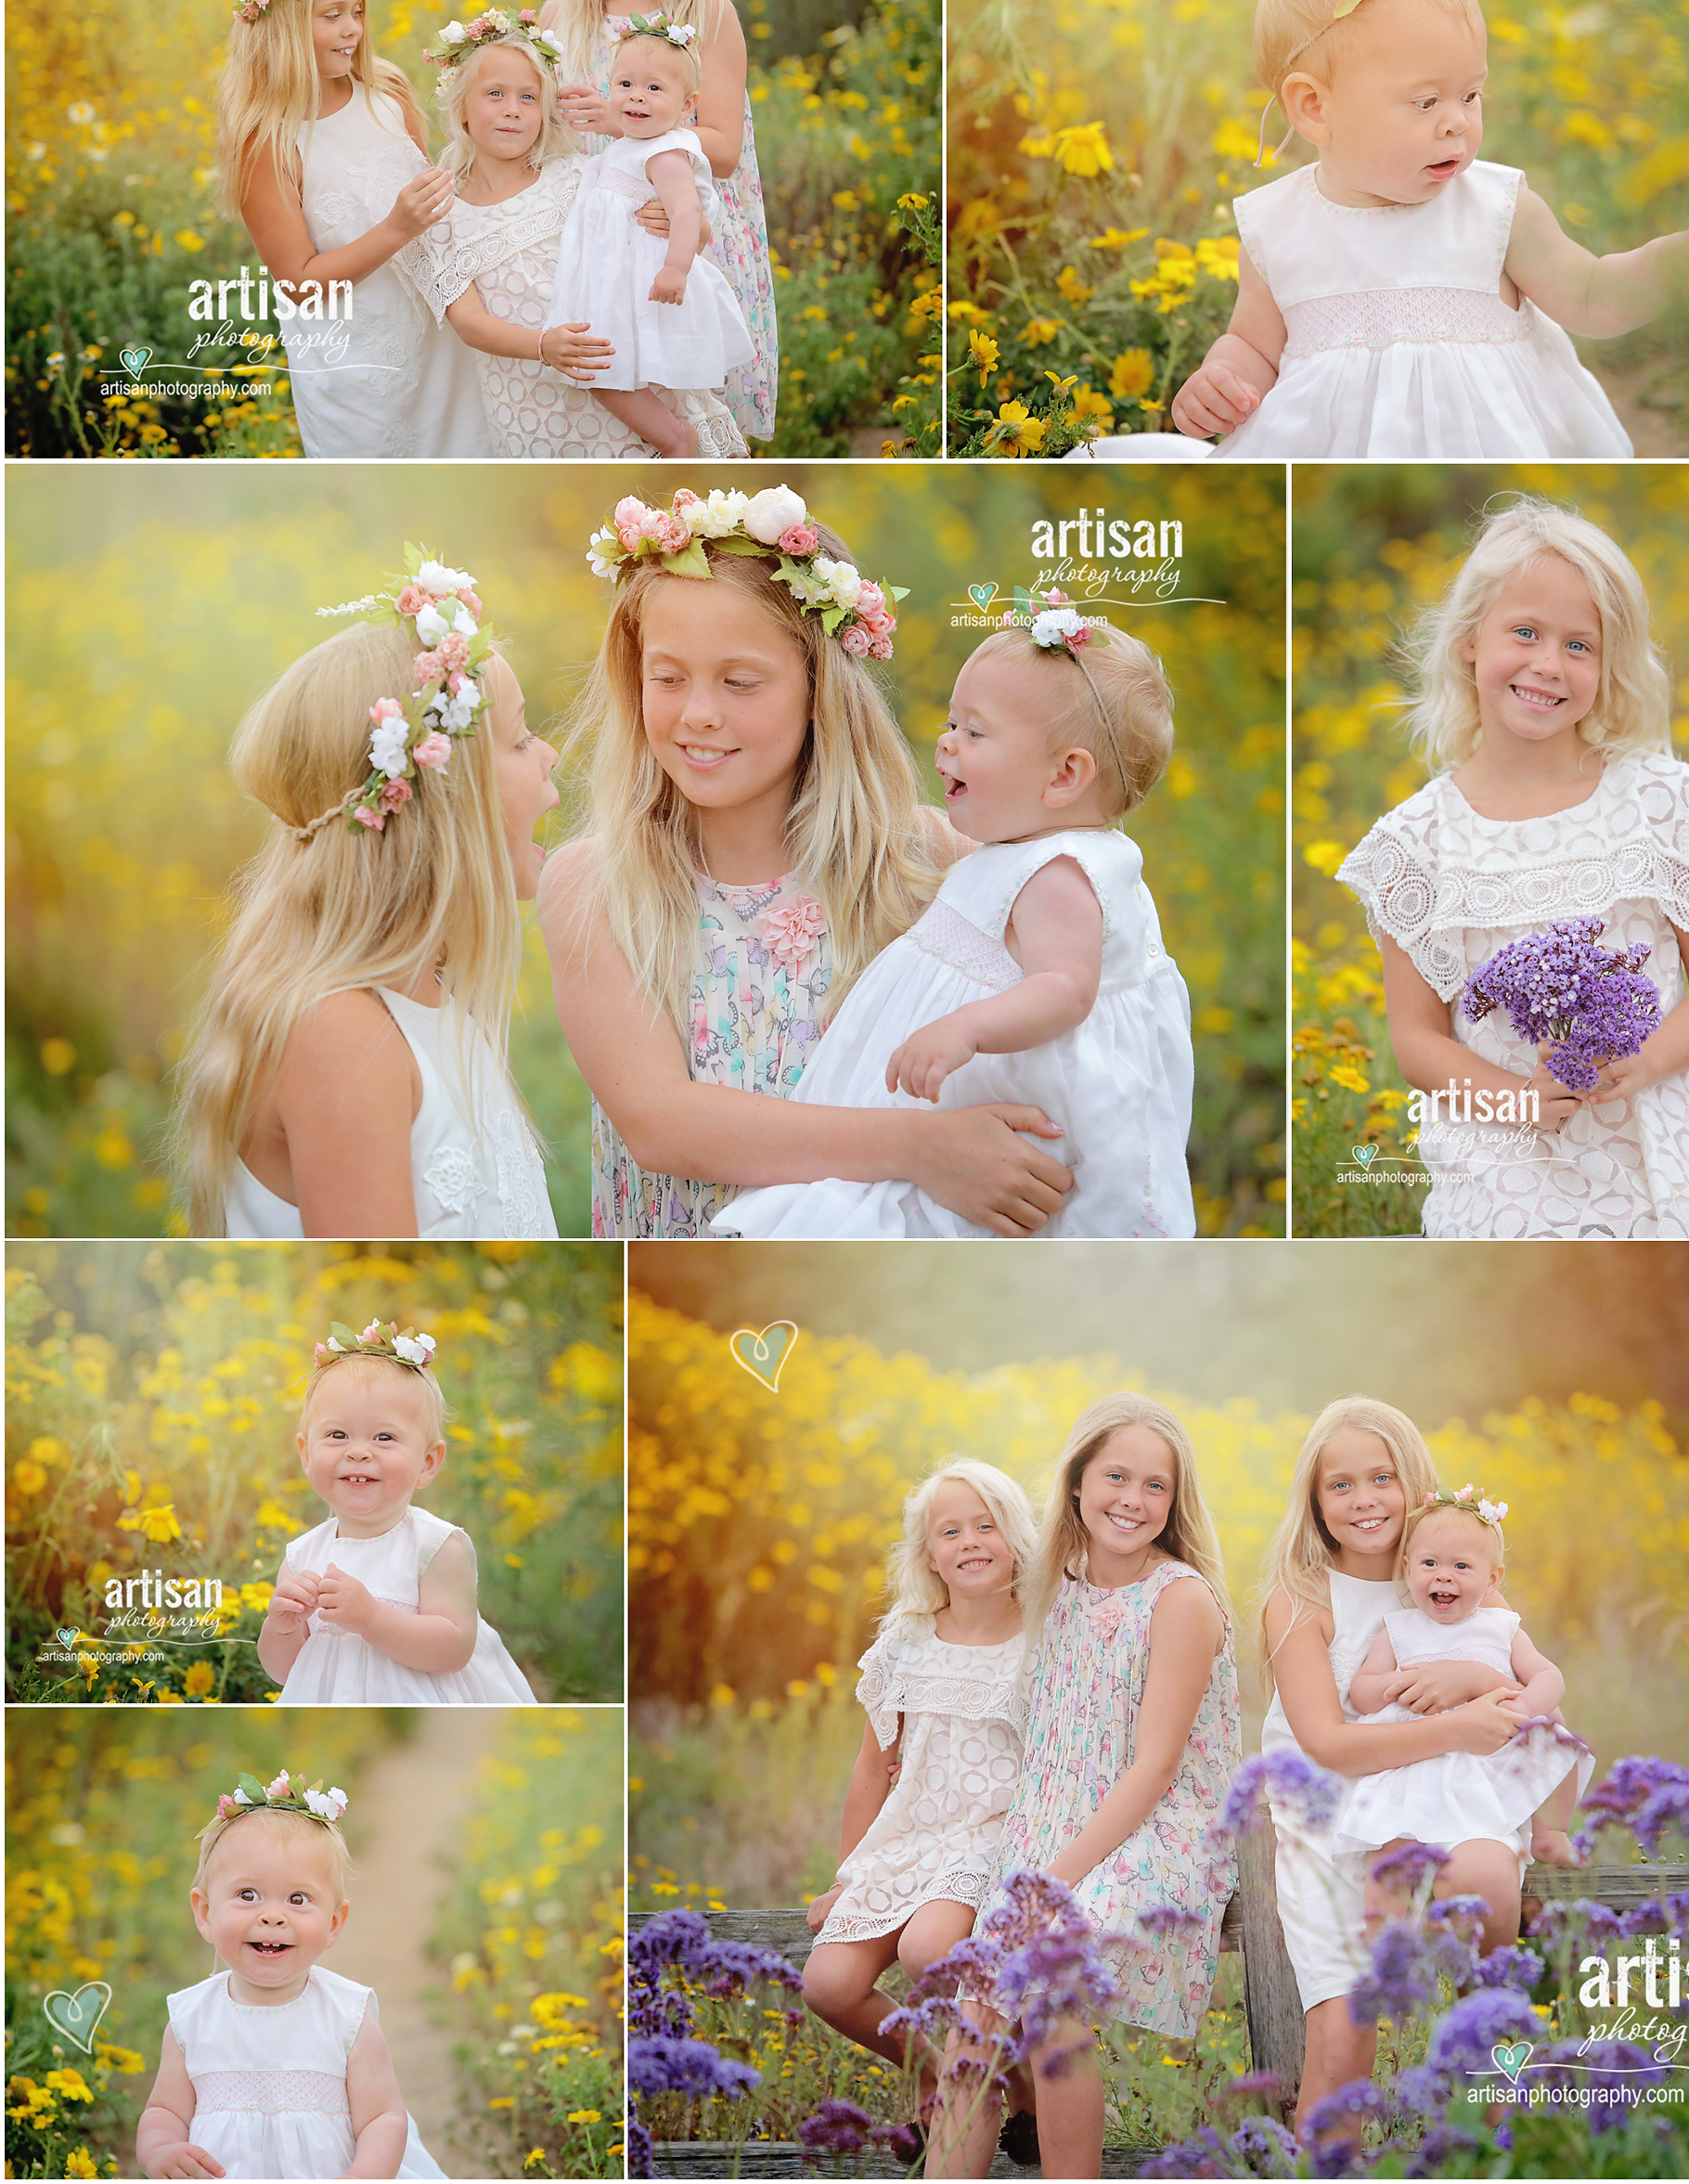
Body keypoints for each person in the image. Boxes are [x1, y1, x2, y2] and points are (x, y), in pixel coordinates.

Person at [539, 483, 1077, 1239]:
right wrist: (921, 1148)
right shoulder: (596, 884)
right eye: (667, 677)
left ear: (819, 688)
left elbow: (1082, 958)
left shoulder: (925, 861)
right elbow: (662, 1124)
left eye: (740, 681)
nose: (697, 712)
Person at [1335, 495, 1689, 1236]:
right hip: (1508, 1153)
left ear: (1610, 669)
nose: (1548, 664)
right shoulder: (1416, 843)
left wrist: (1646, 1060)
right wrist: (1515, 1100)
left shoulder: (1661, 802)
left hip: (1660, 1133)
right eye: (1525, 632)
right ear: (1470, 640)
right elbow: (1418, 1040)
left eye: (1580, 646)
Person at [1170, 0, 1689, 459]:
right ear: (1315, 107)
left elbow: (1591, 293)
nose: (1457, 121)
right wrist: (1222, 381)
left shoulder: (1498, 211)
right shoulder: (1278, 230)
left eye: (1471, 94)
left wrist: (1667, 264)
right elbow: (1254, 348)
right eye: (1425, 101)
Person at [718, 594, 1193, 1238]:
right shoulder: (1017, 848)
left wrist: (962, 1030)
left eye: (974, 732)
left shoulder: (1059, 872)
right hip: (944, 1091)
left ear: (1064, 777)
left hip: (1007, 1088)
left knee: (921, 1219)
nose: (946, 743)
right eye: (951, 722)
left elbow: (1065, 988)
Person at [171, 555, 559, 1238]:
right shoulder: (343, 1035)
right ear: (447, 799)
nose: (549, 753)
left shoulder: (433, 1000)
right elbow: (382, 1285)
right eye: (522, 737)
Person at [940, 1395, 1241, 2180]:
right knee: (974, 2011)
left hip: (1155, 1835)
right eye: (1115, 1476)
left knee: (1046, 1982)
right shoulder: (1052, 1584)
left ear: (1175, 1504)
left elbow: (1155, 1768)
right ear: (1077, 1482)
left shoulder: (1180, 1600)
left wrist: (1052, 1881)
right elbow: (948, 1630)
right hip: (1049, 1830)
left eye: (1155, 1487)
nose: (1132, 1501)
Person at [1256, 1398, 1528, 2132]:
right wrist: (1459, 1726)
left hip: (1445, 1801)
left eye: (1382, 1477)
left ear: (1413, 1482)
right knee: (1343, 2043)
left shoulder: (1453, 1576)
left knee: (1483, 1877)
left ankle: (1490, 2070)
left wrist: (1474, 1697)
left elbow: (1519, 1695)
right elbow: (1329, 1744)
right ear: (1313, 1500)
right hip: (1328, 1822)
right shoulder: (1302, 1599)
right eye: (1339, 1484)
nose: (1364, 1499)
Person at [801, 1459, 1037, 2167]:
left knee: (928, 1949)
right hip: (912, 1833)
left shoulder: (1046, 1637)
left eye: (986, 1525)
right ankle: (957, 2074)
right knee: (829, 1986)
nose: (969, 1541)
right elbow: (875, 1766)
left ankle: (979, 2089)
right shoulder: (906, 1639)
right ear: (928, 1552)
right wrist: (850, 1874)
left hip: (994, 1836)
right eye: (950, 1530)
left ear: (1017, 1536)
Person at [214, 0, 490, 458]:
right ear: (282, 27)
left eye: (358, 12)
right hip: (361, 369)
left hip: (441, 343)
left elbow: (439, 203)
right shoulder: (268, 141)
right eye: (332, 16)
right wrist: (396, 228)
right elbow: (299, 284)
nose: (352, 30)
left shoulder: (384, 92)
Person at [402, 9, 733, 459]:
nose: (512, 110)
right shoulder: (441, 217)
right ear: (460, 107)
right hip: (531, 396)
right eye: (495, 94)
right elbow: (469, 322)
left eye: (528, 97)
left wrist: (693, 230)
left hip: (623, 372)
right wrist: (543, 345)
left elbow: (669, 227)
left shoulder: (578, 175)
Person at [544, 0, 778, 438]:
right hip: (593, 235)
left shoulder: (705, 10)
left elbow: (724, 150)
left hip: (674, 229)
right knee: (606, 398)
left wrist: (623, 126)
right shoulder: (560, 15)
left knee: (688, 404)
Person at [136, 1770, 443, 2178]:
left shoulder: (348, 2019)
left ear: (334, 1922)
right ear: (206, 1913)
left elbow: (382, 2117)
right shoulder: (190, 2019)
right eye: (248, 1895)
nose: (272, 1915)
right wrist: (160, 2149)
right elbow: (165, 2110)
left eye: (298, 1899)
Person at [1334, 1487, 1591, 1935]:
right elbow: (1361, 1693)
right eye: (1430, 1564)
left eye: (1462, 1567)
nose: (1444, 1577)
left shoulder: (1501, 1628)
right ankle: (1393, 1979)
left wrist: (1523, 1706)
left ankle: (1551, 1835)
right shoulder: (1397, 1630)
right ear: (1408, 1568)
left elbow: (1551, 1679)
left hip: (1483, 1766)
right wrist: (1398, 1685)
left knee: (1553, 1739)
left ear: (1493, 1579)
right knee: (1387, 1881)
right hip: (1412, 1773)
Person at [261, 1323, 536, 1705]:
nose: (358, 1452)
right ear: (306, 1454)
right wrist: (281, 1627)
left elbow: (455, 1649)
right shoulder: (301, 1557)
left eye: (384, 1437)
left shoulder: (436, 1546)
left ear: (427, 1463)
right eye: (338, 1435)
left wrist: (371, 1618)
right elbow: (287, 1674)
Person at [541, 13, 754, 457]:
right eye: (625, 85)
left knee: (595, 365)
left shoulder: (664, 152)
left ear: (685, 107)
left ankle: (675, 438)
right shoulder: (626, 146)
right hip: (611, 276)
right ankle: (663, 436)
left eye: (654, 88)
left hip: (641, 281)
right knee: (597, 363)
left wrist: (675, 270)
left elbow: (686, 209)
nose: (637, 97)